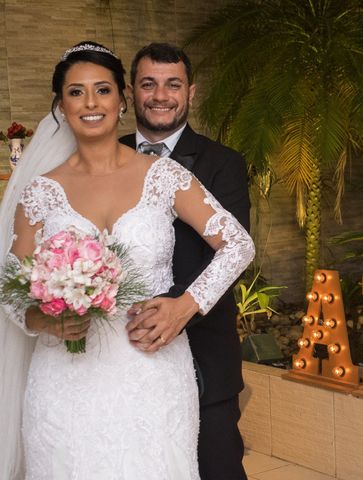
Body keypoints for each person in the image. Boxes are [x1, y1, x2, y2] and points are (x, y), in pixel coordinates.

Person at [0, 41, 254, 479]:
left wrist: (185, 304)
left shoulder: (166, 176)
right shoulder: (40, 192)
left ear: (121, 99)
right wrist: (45, 321)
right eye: (76, 92)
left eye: (102, 89)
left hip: (151, 374)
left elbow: (238, 244)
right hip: (64, 383)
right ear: (60, 105)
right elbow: (11, 286)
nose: (90, 102)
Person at [120, 43, 251, 480]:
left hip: (202, 355)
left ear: (190, 93)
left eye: (173, 84)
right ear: (130, 92)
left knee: (216, 468)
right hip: (118, 354)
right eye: (148, 84)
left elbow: (232, 253)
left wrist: (176, 310)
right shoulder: (104, 158)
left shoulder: (223, 164)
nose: (161, 95)